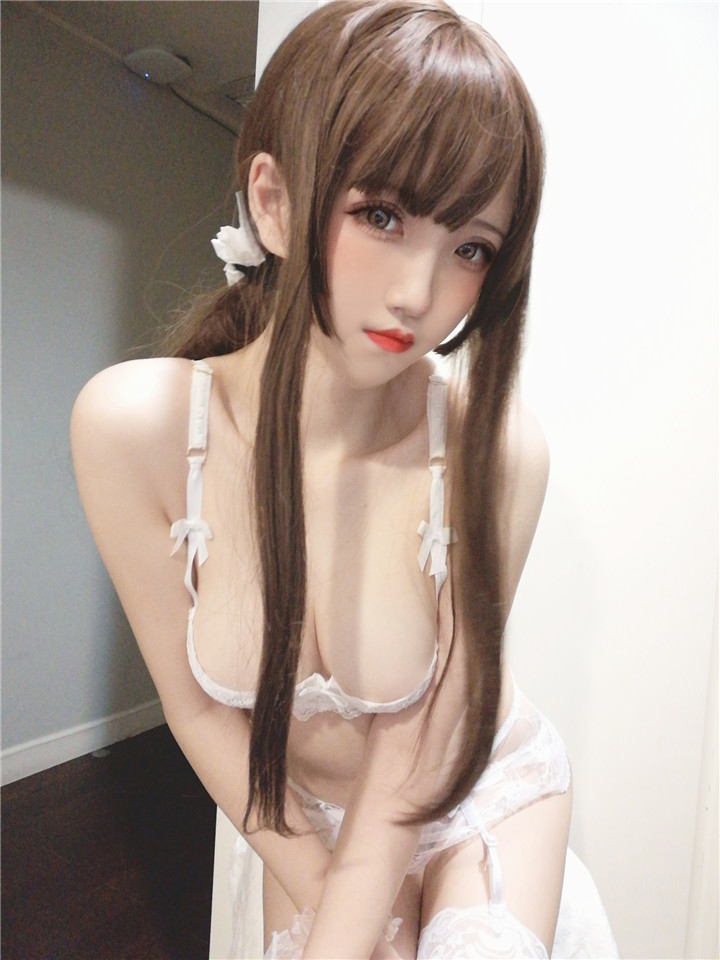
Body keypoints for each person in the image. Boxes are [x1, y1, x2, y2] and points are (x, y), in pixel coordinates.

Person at [71, 2, 618, 957]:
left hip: (473, 791)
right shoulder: (135, 429)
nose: (418, 293)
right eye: (381, 215)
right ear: (274, 202)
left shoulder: (496, 454)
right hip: (306, 823)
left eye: (471, 248)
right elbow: (197, 709)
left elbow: (416, 759)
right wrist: (336, 909)